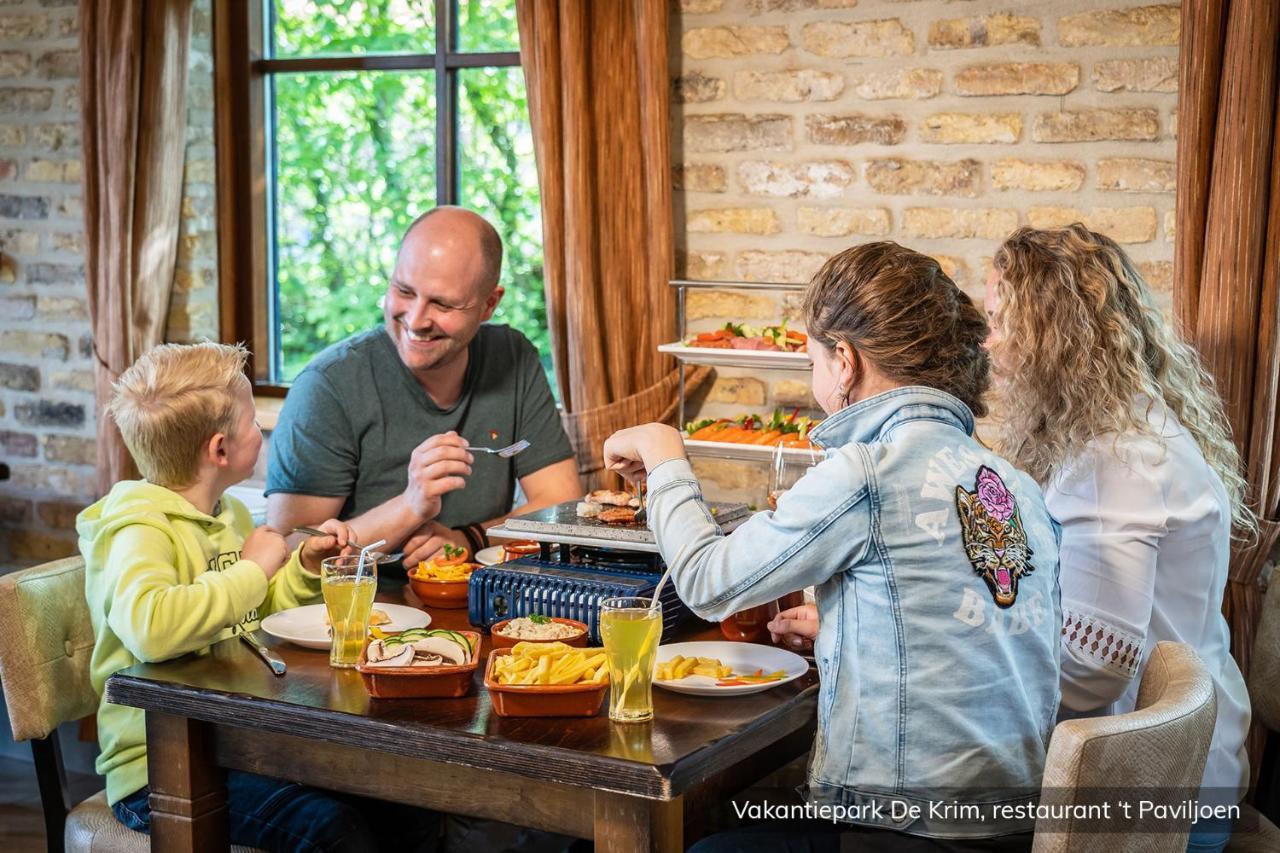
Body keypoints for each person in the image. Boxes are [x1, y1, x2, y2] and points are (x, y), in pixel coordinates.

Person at [604, 243, 1062, 851]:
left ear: (844, 361)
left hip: (906, 828)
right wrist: (847, 626)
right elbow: (970, 624)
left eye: (812, 357)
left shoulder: (867, 471)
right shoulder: (1015, 483)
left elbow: (708, 583)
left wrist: (666, 455)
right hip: (1011, 825)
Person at [78, 342, 440, 852]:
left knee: (409, 806)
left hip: (238, 741)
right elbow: (150, 630)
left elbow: (252, 611)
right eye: (254, 422)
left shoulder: (228, 516)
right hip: (160, 767)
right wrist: (252, 568)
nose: (261, 432)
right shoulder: (137, 530)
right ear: (221, 449)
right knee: (331, 832)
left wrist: (301, 567)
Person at [984, 225, 1253, 853]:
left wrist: (968, 662)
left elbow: (1091, 671)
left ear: (1049, 335)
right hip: (1187, 770)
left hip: (1150, 801)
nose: (987, 342)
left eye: (998, 323)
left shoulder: (1115, 461)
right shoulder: (1136, 426)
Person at [267, 207, 580, 568]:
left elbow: (561, 503)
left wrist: (469, 539)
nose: (415, 320)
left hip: (475, 605)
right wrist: (411, 505)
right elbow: (290, 553)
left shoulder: (513, 357)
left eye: (443, 303)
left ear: (489, 304)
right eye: (403, 291)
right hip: (356, 613)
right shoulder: (327, 386)